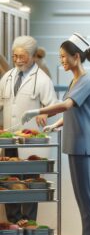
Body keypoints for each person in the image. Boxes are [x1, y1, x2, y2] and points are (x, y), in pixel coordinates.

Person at [21, 33, 90, 235]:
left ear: (77, 57)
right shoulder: (75, 81)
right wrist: (55, 125)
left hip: (84, 146)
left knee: (87, 199)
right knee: (82, 198)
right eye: (60, 57)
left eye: (65, 57)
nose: (62, 60)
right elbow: (72, 112)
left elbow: (66, 104)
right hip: (75, 145)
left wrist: (38, 112)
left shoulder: (86, 81)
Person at [0, 35, 57, 225]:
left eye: (21, 57)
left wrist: (45, 114)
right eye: (14, 56)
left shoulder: (42, 79)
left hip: (31, 143)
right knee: (10, 182)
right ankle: (14, 223)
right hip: (9, 141)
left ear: (32, 56)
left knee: (31, 183)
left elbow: (54, 105)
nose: (17, 61)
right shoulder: (7, 78)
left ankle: (29, 222)